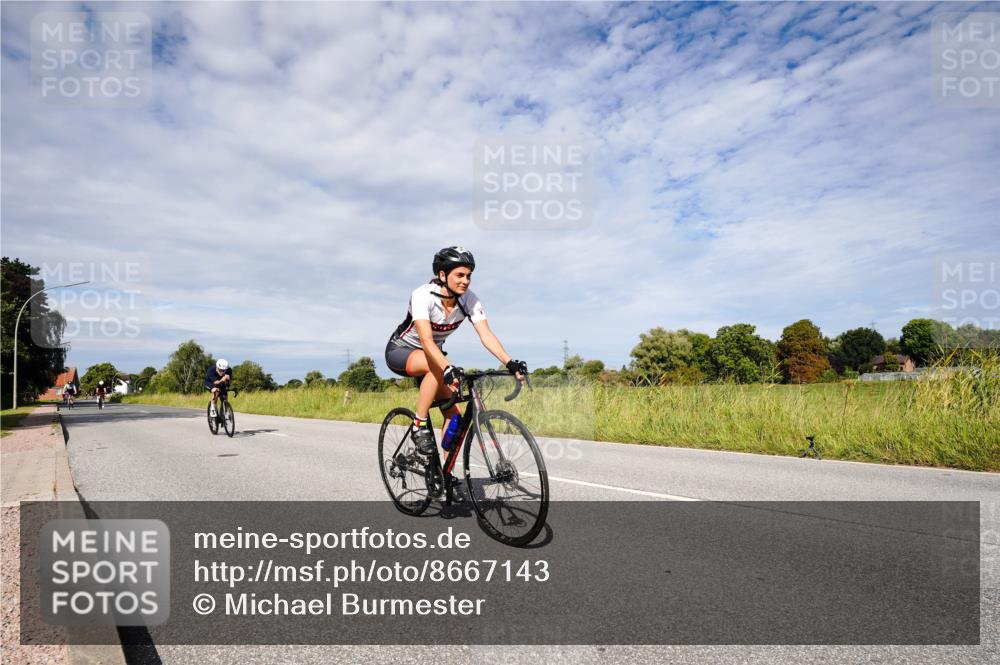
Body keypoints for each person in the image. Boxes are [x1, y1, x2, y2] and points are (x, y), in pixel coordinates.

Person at [385, 247, 528, 470]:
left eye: (469, 275)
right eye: (460, 275)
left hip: (434, 356)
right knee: (436, 366)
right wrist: (446, 367)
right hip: (402, 351)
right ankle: (418, 425)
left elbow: (486, 334)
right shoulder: (423, 295)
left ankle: (444, 473)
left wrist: (509, 362)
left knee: (454, 418)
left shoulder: (469, 300)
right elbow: (425, 340)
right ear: (442, 275)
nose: (466, 281)